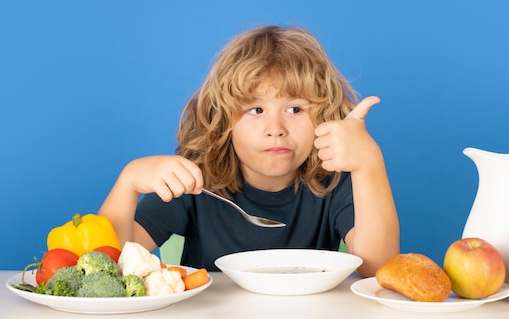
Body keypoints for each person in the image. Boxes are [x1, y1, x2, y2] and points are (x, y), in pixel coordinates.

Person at [98, 25, 399, 277]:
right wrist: (128, 183)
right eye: (255, 109)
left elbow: (379, 268)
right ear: (223, 121)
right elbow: (111, 263)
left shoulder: (335, 180)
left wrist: (369, 165)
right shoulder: (194, 183)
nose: (275, 127)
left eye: (295, 108)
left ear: (323, 117)